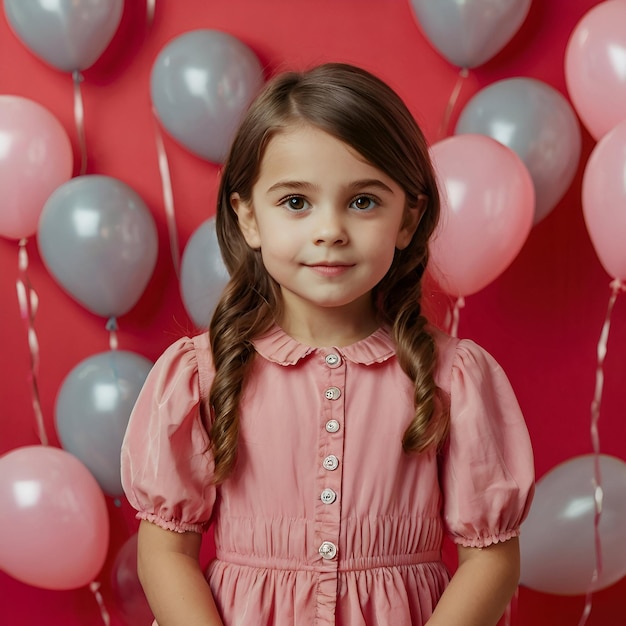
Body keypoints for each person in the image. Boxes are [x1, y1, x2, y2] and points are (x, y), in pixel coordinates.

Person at [121, 62, 534, 626]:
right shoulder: (201, 374)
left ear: (408, 220)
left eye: (363, 201)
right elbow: (165, 552)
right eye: (296, 202)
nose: (330, 230)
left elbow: (490, 560)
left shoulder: (451, 376)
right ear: (249, 218)